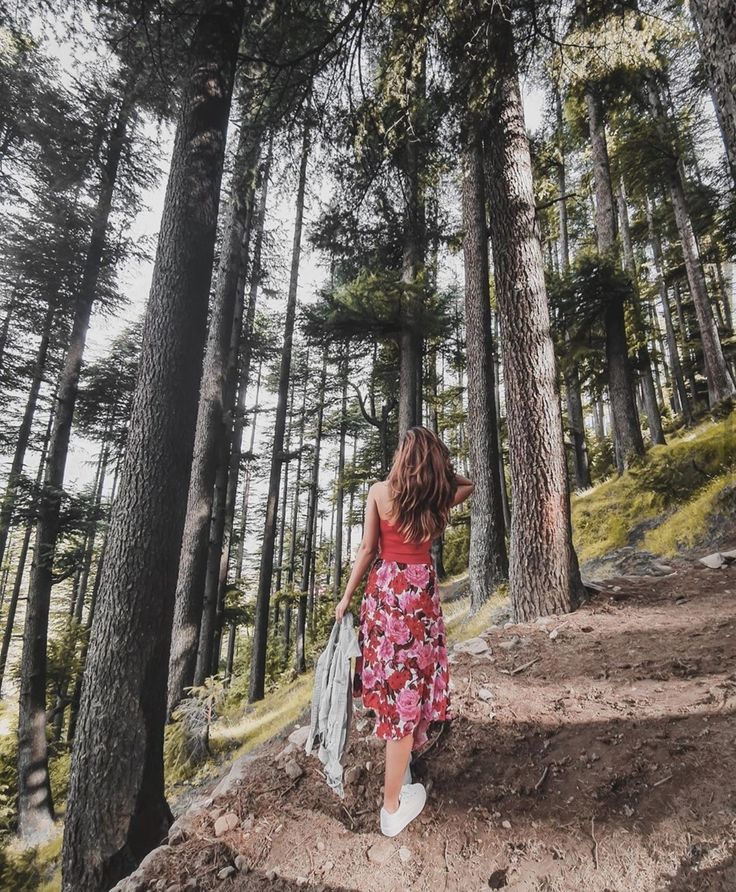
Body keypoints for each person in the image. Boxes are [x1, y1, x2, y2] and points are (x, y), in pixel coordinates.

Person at [335, 426, 474, 836]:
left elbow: (366, 550)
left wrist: (346, 597)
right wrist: (439, 473)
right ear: (429, 463)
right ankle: (393, 803)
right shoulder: (437, 497)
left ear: (401, 458)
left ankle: (394, 794)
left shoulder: (380, 492)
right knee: (411, 680)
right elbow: (469, 483)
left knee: (396, 681)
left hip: (386, 593)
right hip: (420, 596)